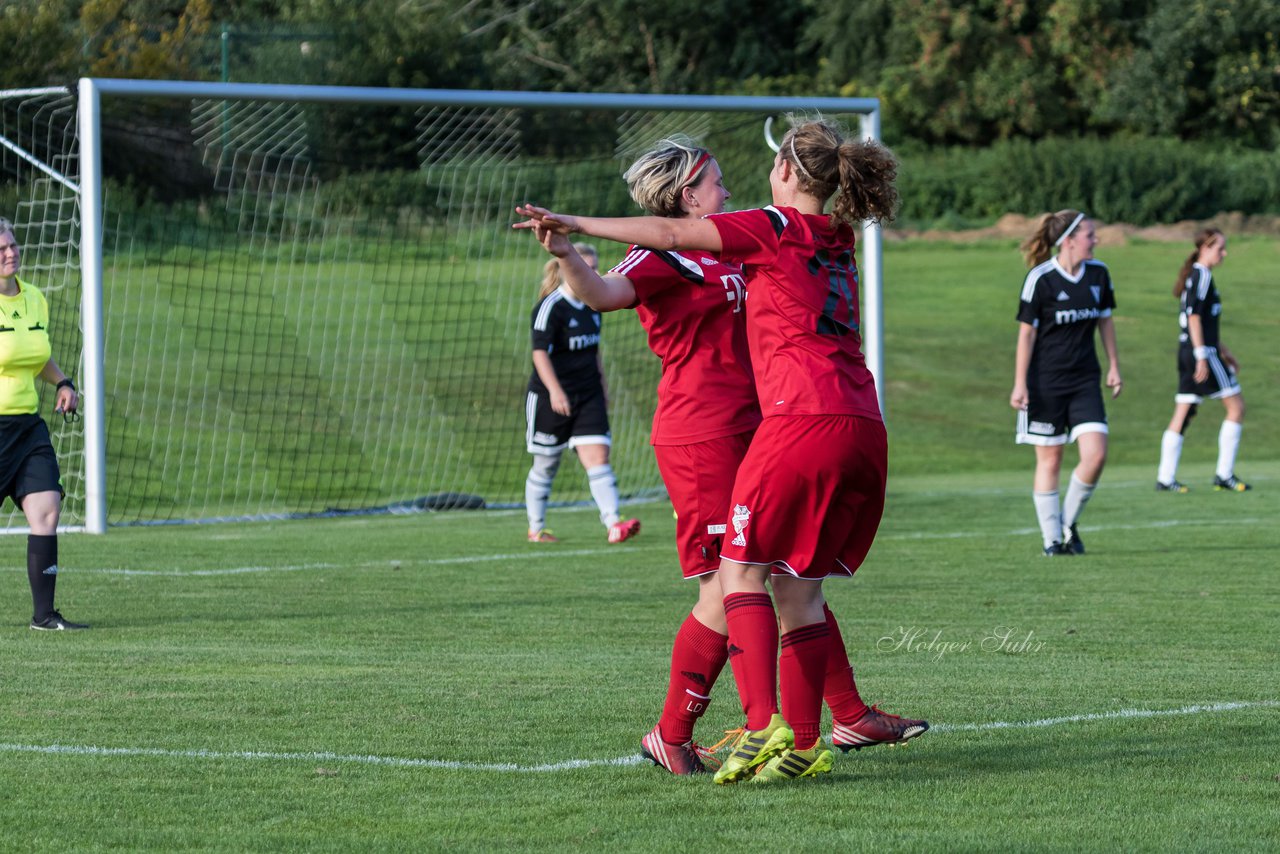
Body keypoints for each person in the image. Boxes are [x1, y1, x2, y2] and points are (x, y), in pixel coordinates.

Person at [517, 116, 924, 784]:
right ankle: (691, 730)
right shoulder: (666, 250)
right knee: (726, 585)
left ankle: (835, 714)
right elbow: (604, 293)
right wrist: (566, 252)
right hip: (703, 433)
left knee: (787, 575)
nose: (727, 185)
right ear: (685, 193)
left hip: (772, 426)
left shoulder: (739, 242)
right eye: (713, 179)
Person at [1010, 210, 1122, 557]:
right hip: (1044, 382)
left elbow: (1106, 322)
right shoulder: (1040, 279)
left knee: (1096, 454)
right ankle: (1052, 541)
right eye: (1090, 234)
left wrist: (1114, 365)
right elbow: (1026, 334)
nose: (1097, 240)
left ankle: (1067, 523)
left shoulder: (1099, 274)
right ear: (1069, 240)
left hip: (1085, 379)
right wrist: (1020, 384)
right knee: (1051, 460)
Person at [0, 217, 87, 630]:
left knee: (47, 509)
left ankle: (44, 616)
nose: (10, 253)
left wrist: (63, 382)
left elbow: (38, 357)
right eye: (1, 249)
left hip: (28, 429)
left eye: (12, 245)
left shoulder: (35, 298)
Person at [524, 242, 640, 544]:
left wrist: (602, 387)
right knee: (546, 464)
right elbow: (539, 355)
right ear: (566, 269)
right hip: (552, 396)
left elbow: (594, 352)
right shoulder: (550, 307)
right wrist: (555, 392)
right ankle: (536, 528)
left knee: (598, 456)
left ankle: (614, 524)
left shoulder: (594, 306)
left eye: (595, 267)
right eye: (586, 267)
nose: (594, 273)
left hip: (588, 395)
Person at [1155, 228, 1250, 493]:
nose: (1224, 253)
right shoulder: (1203, 276)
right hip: (1200, 353)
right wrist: (1203, 357)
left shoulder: (1194, 276)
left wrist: (1224, 350)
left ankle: (1165, 478)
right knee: (1236, 407)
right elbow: (1195, 318)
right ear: (1205, 248)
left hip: (1190, 349)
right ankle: (1224, 474)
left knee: (1184, 411)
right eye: (1220, 248)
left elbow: (1203, 322)